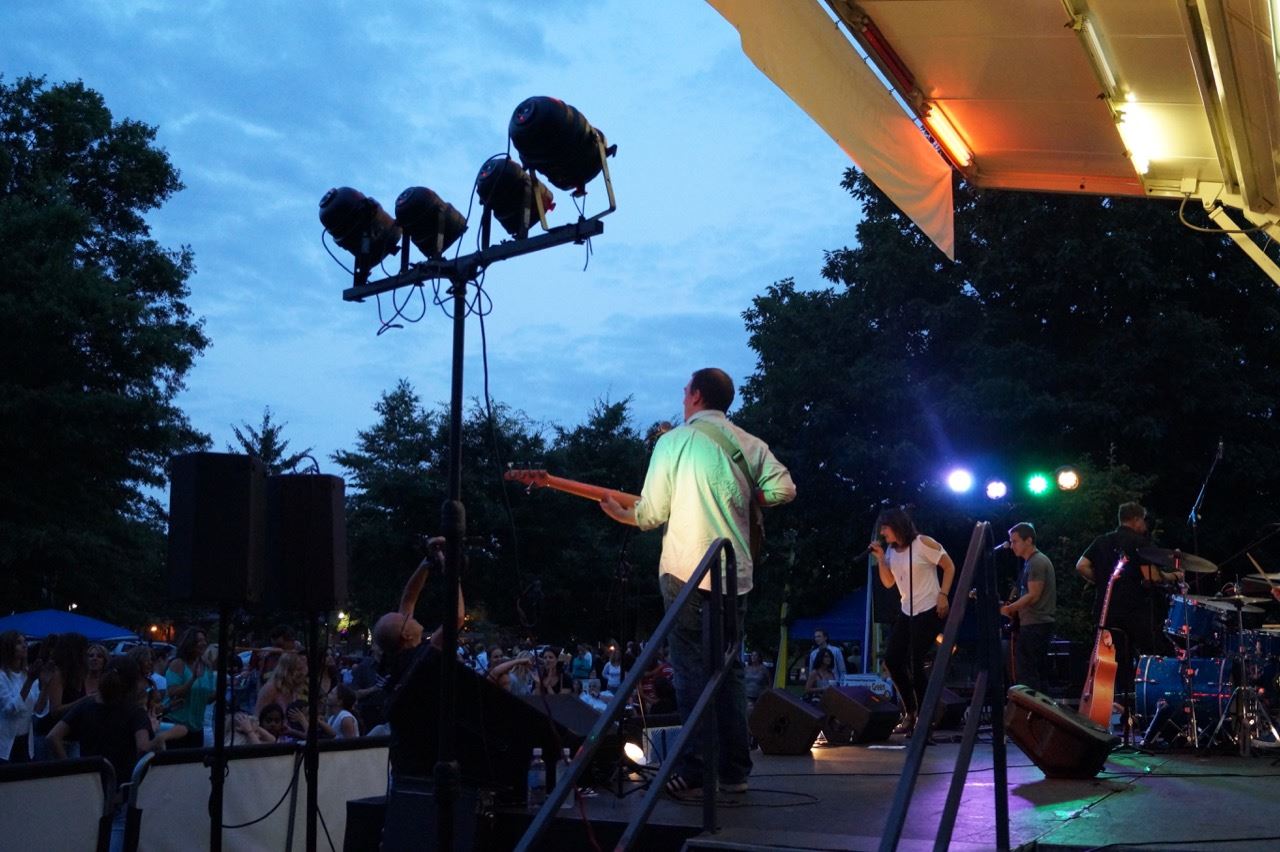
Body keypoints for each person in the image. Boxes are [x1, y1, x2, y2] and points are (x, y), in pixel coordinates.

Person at [600, 367, 796, 798]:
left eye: (686, 388)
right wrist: (749, 497)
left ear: (696, 396)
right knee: (728, 671)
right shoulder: (748, 443)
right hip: (734, 573)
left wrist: (619, 512)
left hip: (686, 571)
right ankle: (735, 770)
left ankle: (695, 768)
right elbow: (785, 489)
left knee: (690, 672)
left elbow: (651, 513)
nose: (683, 394)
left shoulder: (673, 442)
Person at [1076, 502, 1182, 729]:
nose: (1144, 525)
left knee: (1114, 663)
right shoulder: (1140, 543)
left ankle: (1111, 713)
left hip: (1106, 612)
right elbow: (1150, 576)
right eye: (1143, 521)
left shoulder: (1102, 541)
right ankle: (1149, 711)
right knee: (1153, 656)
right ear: (1135, 520)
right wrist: (1173, 577)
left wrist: (1103, 582)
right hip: (1135, 611)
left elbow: (1081, 565)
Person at [869, 507, 956, 736]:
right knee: (893, 659)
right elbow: (888, 583)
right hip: (907, 610)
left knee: (916, 663)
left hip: (929, 609)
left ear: (896, 526)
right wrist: (881, 559)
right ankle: (910, 711)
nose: (882, 532)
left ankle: (924, 720)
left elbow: (949, 566)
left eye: (885, 528)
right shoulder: (891, 550)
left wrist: (943, 594)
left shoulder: (923, 543)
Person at [999, 522, 1056, 694]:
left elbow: (1033, 595)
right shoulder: (1031, 563)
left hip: (1035, 625)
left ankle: (1035, 716)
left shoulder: (1036, 562)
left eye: (1015, 541)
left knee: (1028, 675)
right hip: (1034, 624)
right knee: (1034, 673)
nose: (1012, 545)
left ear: (1028, 540)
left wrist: (1010, 609)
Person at [165, 628, 211, 749]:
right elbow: (172, 693)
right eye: (199, 640)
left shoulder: (206, 666)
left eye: (204, 640)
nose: (204, 643)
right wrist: (193, 679)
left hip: (197, 727)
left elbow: (208, 698)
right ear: (190, 643)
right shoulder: (178, 664)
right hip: (177, 726)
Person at [1, 631, 41, 763]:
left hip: (25, 742)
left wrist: (46, 685)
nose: (24, 646)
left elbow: (38, 709)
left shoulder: (28, 673)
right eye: (18, 643)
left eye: (25, 642)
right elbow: (10, 709)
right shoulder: (2, 677)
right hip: (5, 743)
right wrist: (29, 681)